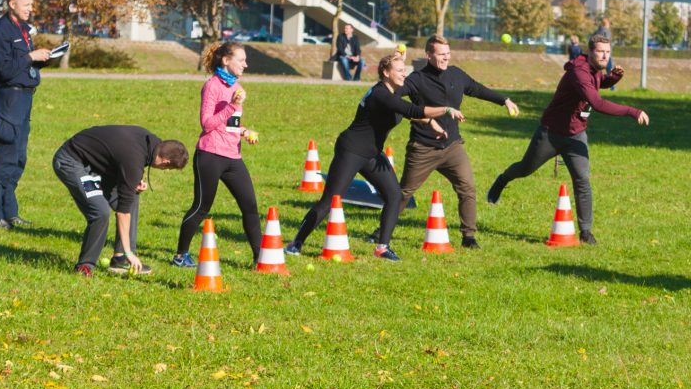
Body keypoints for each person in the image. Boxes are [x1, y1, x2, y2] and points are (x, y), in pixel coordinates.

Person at [284, 55, 461, 261]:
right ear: (386, 73)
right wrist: (446, 110)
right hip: (351, 150)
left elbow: (406, 113)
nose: (405, 73)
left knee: (394, 196)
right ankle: (295, 243)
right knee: (330, 200)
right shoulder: (381, 94)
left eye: (405, 69)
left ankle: (382, 247)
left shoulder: (390, 94)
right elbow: (411, 109)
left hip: (372, 154)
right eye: (399, 70)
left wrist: (430, 122)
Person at [487, 34, 649, 244]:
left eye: (608, 52)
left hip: (576, 135)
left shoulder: (595, 70)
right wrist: (632, 111)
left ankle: (585, 232)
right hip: (551, 132)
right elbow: (596, 102)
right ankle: (502, 180)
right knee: (525, 168)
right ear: (590, 51)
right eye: (600, 51)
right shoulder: (579, 72)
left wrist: (614, 78)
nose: (604, 56)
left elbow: (599, 83)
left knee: (582, 180)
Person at [380, 35, 519, 250]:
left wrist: (504, 100)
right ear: (428, 55)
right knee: (404, 192)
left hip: (452, 146)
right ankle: (381, 233)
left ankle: (469, 237)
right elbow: (389, 95)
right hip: (423, 147)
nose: (446, 58)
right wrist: (395, 68)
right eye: (441, 54)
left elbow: (478, 89)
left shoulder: (456, 74)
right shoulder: (416, 79)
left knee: (467, 188)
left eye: (448, 54)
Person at [52, 126, 188, 276]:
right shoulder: (134, 157)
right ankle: (85, 266)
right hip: (72, 161)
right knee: (100, 211)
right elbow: (122, 212)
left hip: (97, 164)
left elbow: (121, 159)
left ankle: (120, 259)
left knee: (132, 197)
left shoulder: (153, 144)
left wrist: (132, 182)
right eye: (168, 168)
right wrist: (130, 252)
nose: (166, 171)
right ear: (165, 162)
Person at [172, 42, 262, 268]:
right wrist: (232, 106)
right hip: (210, 155)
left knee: (250, 206)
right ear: (226, 60)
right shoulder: (212, 86)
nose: (246, 64)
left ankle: (260, 258)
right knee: (202, 207)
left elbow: (230, 124)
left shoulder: (236, 87)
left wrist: (244, 131)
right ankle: (180, 255)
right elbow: (207, 123)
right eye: (241, 60)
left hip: (233, 157)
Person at [0, 0, 51, 229]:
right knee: (4, 157)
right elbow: (2, 70)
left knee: (18, 158)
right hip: (8, 100)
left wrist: (41, 59)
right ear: (12, 4)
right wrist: (30, 57)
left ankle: (10, 212)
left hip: (24, 99)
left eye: (31, 4)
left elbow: (21, 64)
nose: (31, 9)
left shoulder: (22, 29)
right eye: (26, 4)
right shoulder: (0, 31)